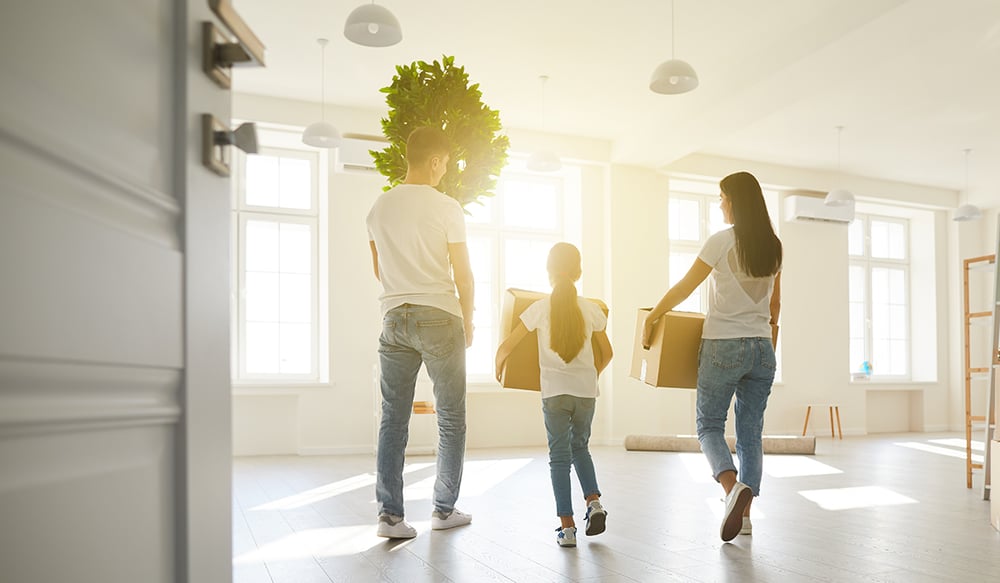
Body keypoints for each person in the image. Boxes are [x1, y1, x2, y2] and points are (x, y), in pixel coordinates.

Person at [642, 171, 782, 542]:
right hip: (762, 347)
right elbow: (775, 305)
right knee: (751, 433)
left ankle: (731, 487)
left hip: (723, 345)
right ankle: (746, 517)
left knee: (708, 426)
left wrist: (653, 316)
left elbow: (686, 287)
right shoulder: (774, 246)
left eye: (722, 197)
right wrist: (768, 348)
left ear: (735, 200)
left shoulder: (721, 242)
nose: (720, 203)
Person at [366, 126, 475, 539]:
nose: (445, 170)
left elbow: (379, 270)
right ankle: (443, 510)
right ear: (434, 161)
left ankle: (389, 517)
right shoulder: (446, 206)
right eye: (445, 163)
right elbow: (463, 275)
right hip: (440, 315)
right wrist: (469, 319)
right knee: (451, 418)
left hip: (393, 317)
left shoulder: (378, 208)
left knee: (392, 419)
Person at [495, 242, 613, 548]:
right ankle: (594, 502)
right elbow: (608, 353)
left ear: (549, 271)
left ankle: (568, 528)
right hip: (586, 393)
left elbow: (509, 345)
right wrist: (592, 375)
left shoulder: (538, 309)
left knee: (559, 459)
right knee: (581, 448)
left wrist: (498, 364)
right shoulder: (591, 309)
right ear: (578, 271)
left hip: (555, 393)